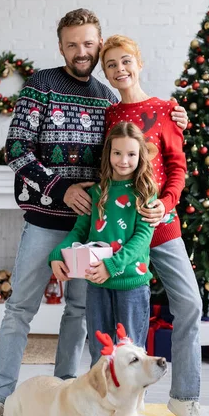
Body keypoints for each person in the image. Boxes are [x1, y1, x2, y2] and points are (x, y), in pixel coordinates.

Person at [0, 9, 187, 416]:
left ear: (99, 45)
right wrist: (59, 189)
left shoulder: (107, 98)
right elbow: (16, 149)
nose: (81, 52)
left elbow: (133, 147)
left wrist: (178, 118)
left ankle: (64, 390)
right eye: (72, 44)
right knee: (19, 309)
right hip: (47, 218)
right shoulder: (41, 85)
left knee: (80, 311)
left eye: (89, 44)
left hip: (95, 227)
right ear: (60, 46)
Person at [99, 35, 209, 416]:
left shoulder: (167, 111)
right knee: (121, 322)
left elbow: (177, 168)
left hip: (162, 228)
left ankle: (184, 397)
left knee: (190, 304)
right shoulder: (109, 115)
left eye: (125, 61)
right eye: (110, 65)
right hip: (121, 234)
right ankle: (120, 403)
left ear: (139, 62)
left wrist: (166, 202)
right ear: (105, 72)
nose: (119, 70)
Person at [49, 122, 156, 359]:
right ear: (108, 154)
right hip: (97, 285)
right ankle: (101, 397)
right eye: (117, 153)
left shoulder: (146, 193)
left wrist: (112, 265)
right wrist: (58, 254)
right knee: (100, 353)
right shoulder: (97, 192)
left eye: (131, 154)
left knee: (131, 353)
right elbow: (79, 232)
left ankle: (131, 398)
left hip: (132, 284)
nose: (123, 160)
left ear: (140, 156)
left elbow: (142, 238)